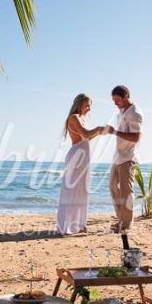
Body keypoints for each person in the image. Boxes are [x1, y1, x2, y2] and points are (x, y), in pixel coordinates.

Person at [56, 94, 106, 235]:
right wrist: (98, 129)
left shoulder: (82, 119)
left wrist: (98, 132)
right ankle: (66, 226)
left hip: (83, 157)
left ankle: (79, 224)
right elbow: (85, 134)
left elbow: (87, 138)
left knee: (81, 191)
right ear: (79, 105)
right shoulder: (74, 118)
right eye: (87, 105)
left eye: (90, 106)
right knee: (72, 191)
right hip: (77, 157)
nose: (89, 109)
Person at [106, 85, 143, 233]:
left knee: (126, 191)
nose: (115, 103)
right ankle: (122, 219)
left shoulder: (135, 113)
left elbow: (136, 137)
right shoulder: (120, 111)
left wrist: (114, 132)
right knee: (113, 187)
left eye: (117, 100)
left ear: (126, 96)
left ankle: (126, 224)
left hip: (128, 157)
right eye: (113, 100)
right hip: (117, 156)